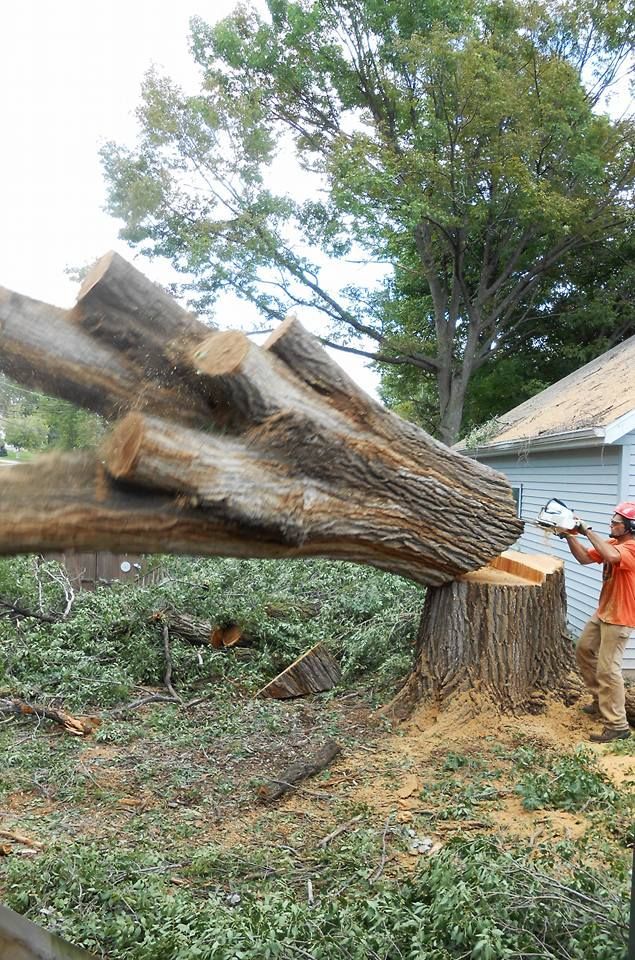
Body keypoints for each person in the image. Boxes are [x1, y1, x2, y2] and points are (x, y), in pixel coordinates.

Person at [560, 501, 635, 742]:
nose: (611, 525)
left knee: (608, 669)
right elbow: (584, 557)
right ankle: (600, 701)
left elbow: (612, 557)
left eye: (616, 523)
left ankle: (618, 725)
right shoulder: (613, 542)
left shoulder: (632, 547)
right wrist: (569, 535)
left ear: (630, 527)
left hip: (620, 616)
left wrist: (586, 530)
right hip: (604, 611)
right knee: (583, 650)